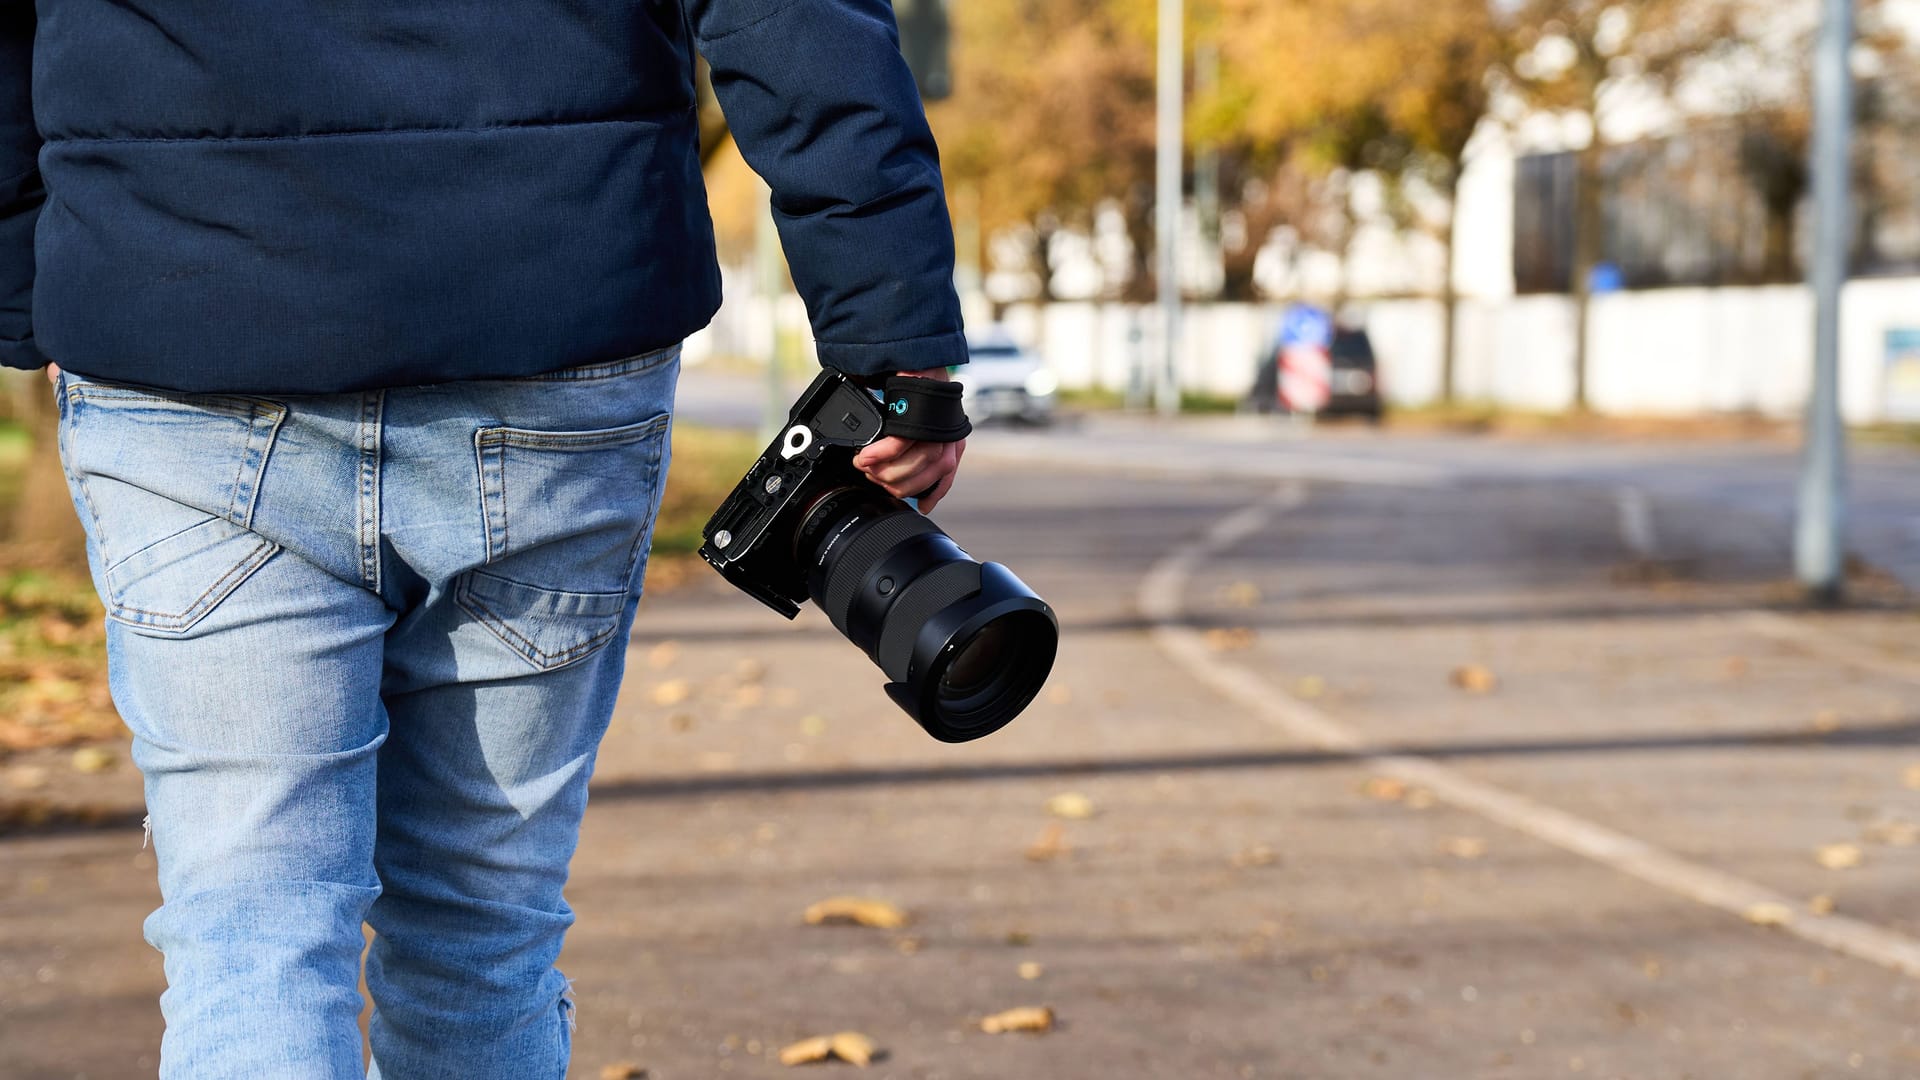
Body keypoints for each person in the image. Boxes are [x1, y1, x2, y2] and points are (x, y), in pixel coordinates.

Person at [0, 1, 966, 1075]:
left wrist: (29, 282)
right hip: (552, 324)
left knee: (250, 934)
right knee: (481, 932)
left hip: (178, 315)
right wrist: (892, 331)